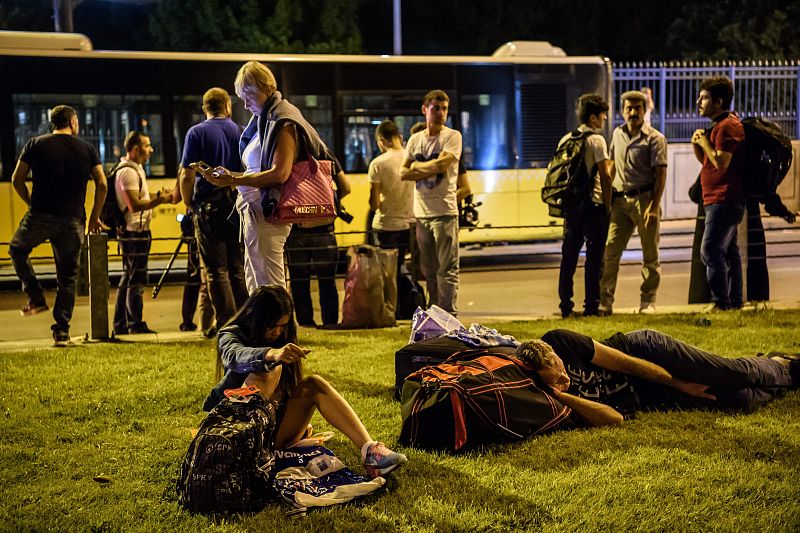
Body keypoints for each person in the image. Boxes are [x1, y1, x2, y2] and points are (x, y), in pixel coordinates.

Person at [203, 285, 408, 478]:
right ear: (255, 318)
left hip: (273, 432)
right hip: (237, 431)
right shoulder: (231, 334)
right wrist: (271, 355)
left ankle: (371, 451)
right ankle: (258, 453)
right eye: (271, 326)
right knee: (269, 370)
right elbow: (234, 356)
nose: (276, 332)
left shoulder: (282, 338)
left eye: (282, 326)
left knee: (314, 383)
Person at [195, 61, 331, 294]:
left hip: (268, 212)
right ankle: (265, 328)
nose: (245, 105)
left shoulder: (282, 120)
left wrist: (233, 180)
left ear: (265, 87)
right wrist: (231, 177)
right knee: (257, 280)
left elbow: (280, 173)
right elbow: (255, 170)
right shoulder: (265, 120)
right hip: (255, 210)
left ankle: (281, 329)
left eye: (248, 96)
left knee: (270, 282)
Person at [516, 328, 799, 427]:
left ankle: (784, 367)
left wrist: (680, 383)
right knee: (738, 399)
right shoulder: (551, 399)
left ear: (554, 353)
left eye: (563, 368)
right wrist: (563, 394)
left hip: (648, 354)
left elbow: (625, 363)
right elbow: (614, 419)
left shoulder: (560, 341)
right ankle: (772, 367)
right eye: (558, 380)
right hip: (648, 395)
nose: (565, 377)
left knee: (733, 374)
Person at [9, 105, 108, 346]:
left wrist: (30, 201)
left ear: (52, 123)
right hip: (73, 220)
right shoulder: (87, 148)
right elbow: (102, 184)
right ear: (73, 122)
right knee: (67, 276)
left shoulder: (35, 144)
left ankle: (35, 297)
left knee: (17, 249)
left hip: (40, 215)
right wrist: (94, 216)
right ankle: (61, 330)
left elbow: (17, 179)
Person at [179, 87, 248, 328]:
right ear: (228, 106)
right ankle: (245, 318)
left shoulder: (196, 133)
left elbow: (187, 175)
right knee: (237, 267)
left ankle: (227, 323)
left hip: (208, 208)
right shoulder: (239, 131)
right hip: (234, 206)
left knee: (216, 270)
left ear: (205, 108)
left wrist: (189, 203)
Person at [599, 90, 668, 315]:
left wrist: (654, 206)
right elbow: (611, 166)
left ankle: (648, 302)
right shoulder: (617, 134)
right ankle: (605, 302)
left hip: (645, 200)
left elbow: (661, 174)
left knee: (650, 255)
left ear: (645, 109)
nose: (633, 112)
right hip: (620, 202)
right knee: (610, 253)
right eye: (629, 108)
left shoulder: (655, 138)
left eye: (637, 108)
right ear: (622, 110)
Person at [401, 90, 462, 315]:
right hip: (422, 213)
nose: (441, 113)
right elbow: (403, 173)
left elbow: (441, 166)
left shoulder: (452, 136)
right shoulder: (416, 140)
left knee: (447, 269)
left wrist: (417, 168)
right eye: (436, 108)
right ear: (425, 109)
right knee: (429, 270)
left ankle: (449, 315)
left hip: (445, 211)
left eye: (444, 108)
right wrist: (424, 167)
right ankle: (435, 313)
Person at [691, 76, 745, 311]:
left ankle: (721, 303)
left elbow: (722, 162)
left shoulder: (727, 126)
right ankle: (734, 302)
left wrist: (704, 142)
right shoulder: (719, 126)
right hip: (716, 198)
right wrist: (699, 145)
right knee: (729, 252)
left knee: (710, 251)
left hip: (725, 199)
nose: (698, 101)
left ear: (719, 101)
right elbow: (709, 162)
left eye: (704, 97)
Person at [557, 94, 613, 318]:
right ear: (593, 117)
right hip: (593, 206)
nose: (605, 118)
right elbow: (605, 175)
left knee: (568, 258)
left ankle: (565, 307)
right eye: (602, 115)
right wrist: (608, 205)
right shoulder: (596, 140)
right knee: (594, 258)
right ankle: (591, 306)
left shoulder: (566, 139)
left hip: (572, 207)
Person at [113, 131, 172, 335]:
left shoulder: (136, 169)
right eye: (147, 145)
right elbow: (134, 205)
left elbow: (139, 198)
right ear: (136, 148)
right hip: (134, 233)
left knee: (129, 277)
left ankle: (121, 324)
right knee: (136, 280)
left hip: (136, 231)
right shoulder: (128, 172)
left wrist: (159, 196)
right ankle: (134, 323)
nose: (151, 149)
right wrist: (160, 200)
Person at [286, 160, 350, 327]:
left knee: (299, 281)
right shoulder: (327, 155)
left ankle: (306, 323)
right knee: (327, 280)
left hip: (296, 229)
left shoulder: (289, 152)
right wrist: (327, 202)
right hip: (324, 228)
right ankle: (330, 323)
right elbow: (346, 187)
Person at [369, 120, 415, 284]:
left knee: (389, 275)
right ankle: (410, 304)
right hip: (410, 225)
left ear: (381, 140)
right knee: (406, 268)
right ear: (399, 137)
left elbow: (374, 204)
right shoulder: (413, 160)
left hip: (387, 226)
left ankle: (392, 307)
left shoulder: (377, 164)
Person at [171, 179, 215, 336]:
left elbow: (177, 196)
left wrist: (190, 209)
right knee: (212, 277)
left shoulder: (187, 168)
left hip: (196, 226)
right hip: (211, 224)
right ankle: (212, 324)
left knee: (195, 277)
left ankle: (192, 321)